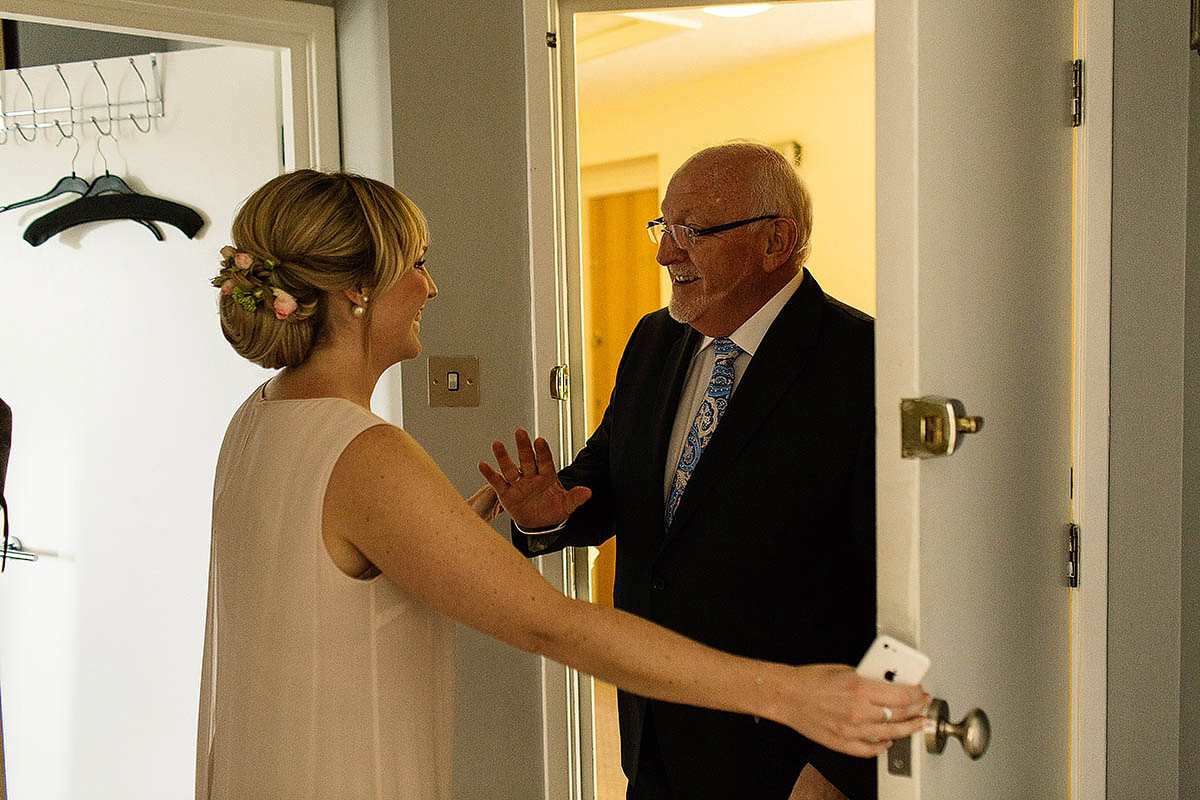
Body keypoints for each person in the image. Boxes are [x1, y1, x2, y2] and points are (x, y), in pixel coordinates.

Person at [197, 169, 925, 799]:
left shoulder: (258, 419)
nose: (431, 285)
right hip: (344, 773)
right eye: (417, 263)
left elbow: (334, 576)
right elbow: (551, 624)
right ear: (359, 290)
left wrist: (459, 524)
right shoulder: (367, 453)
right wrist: (795, 693)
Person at [481, 141, 879, 799]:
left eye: (691, 231)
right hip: (653, 732)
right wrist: (548, 514)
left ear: (776, 240)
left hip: (787, 756)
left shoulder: (862, 361)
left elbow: (888, 585)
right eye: (664, 228)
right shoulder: (654, 339)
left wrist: (840, 766)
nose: (666, 252)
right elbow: (609, 475)